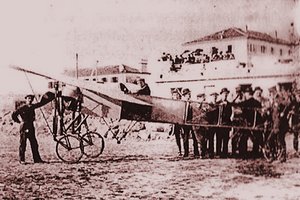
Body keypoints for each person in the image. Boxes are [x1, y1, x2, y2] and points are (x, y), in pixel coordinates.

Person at [11, 94, 45, 164]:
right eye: (29, 98)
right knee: (23, 143)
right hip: (24, 126)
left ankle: (37, 159)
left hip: (31, 126)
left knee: (34, 144)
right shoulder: (23, 107)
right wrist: (19, 121)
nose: (30, 100)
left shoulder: (32, 106)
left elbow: (39, 104)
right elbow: (14, 114)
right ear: (26, 99)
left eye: (31, 99)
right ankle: (22, 160)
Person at [237, 87, 262, 159]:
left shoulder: (246, 102)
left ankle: (243, 154)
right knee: (256, 138)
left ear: (247, 94)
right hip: (255, 123)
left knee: (243, 138)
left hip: (247, 123)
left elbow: (237, 105)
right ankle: (255, 153)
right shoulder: (257, 103)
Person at [181, 88, 199, 158]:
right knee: (185, 138)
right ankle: (186, 153)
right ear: (184, 95)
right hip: (185, 123)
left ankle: (196, 152)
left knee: (195, 137)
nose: (189, 95)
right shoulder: (182, 103)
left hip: (192, 122)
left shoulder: (192, 103)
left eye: (189, 94)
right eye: (187, 94)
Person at [216, 88, 232, 158]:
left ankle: (225, 153)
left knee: (226, 139)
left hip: (226, 124)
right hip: (219, 124)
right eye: (224, 94)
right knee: (219, 139)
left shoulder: (229, 104)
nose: (225, 95)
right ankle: (218, 153)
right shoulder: (217, 103)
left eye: (226, 94)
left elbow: (230, 113)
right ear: (221, 94)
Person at [169, 90, 183, 156]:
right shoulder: (171, 103)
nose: (176, 96)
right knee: (177, 136)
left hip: (181, 121)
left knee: (184, 136)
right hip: (175, 122)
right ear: (172, 96)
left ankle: (185, 150)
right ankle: (179, 150)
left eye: (177, 95)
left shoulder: (181, 102)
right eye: (174, 95)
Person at [206, 92, 220, 158]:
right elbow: (207, 114)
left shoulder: (218, 105)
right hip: (211, 124)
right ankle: (211, 153)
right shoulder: (209, 105)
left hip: (217, 124)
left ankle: (218, 152)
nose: (215, 97)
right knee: (211, 139)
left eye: (216, 96)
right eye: (213, 96)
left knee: (218, 138)